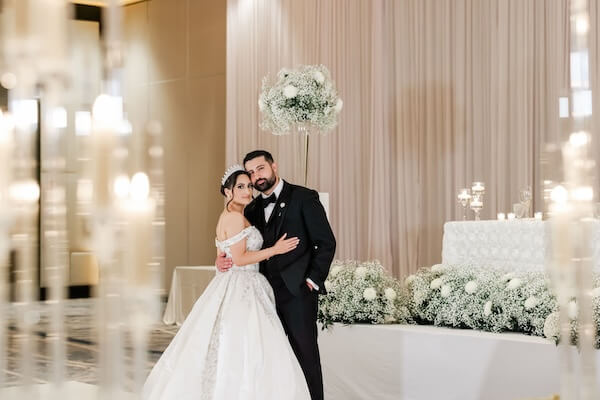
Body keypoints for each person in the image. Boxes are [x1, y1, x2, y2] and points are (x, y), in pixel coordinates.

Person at [143, 166, 311, 400]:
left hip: (242, 282)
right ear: (227, 191)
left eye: (249, 186)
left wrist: (221, 258)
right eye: (240, 186)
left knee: (239, 341)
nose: (246, 191)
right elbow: (240, 259)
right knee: (244, 341)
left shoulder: (237, 215)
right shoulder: (233, 217)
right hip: (241, 283)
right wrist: (275, 249)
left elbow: (227, 252)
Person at [216, 150, 336, 400]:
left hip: (297, 293)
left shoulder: (304, 197)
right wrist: (221, 258)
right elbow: (237, 245)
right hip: (260, 296)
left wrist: (312, 281)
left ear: (274, 166)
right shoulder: (250, 207)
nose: (256, 176)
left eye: (260, 168)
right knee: (271, 359)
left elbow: (325, 243)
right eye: (250, 172)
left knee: (305, 355)